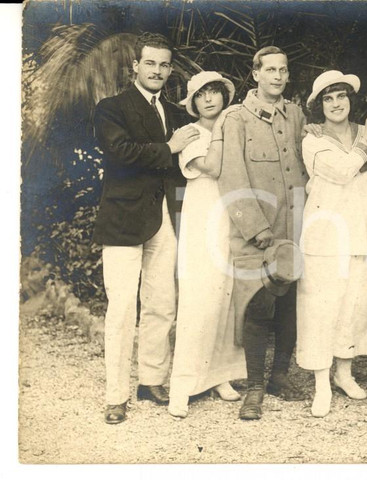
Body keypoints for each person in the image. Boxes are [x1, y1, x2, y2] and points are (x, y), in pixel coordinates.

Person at [93, 32, 200, 424]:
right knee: (122, 308)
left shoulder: (173, 112)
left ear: (171, 69)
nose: (157, 70)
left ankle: (152, 379)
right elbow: (121, 153)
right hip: (123, 220)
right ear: (135, 66)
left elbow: (188, 161)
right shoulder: (111, 108)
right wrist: (168, 148)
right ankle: (116, 395)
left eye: (164, 64)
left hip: (163, 220)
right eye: (150, 63)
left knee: (162, 305)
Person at [215, 46, 309, 420]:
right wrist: (257, 230)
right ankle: (254, 387)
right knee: (258, 304)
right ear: (255, 74)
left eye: (283, 70)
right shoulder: (235, 119)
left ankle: (279, 377)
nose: (277, 76)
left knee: (288, 304)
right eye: (270, 70)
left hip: (294, 228)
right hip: (256, 232)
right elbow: (232, 177)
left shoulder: (297, 115)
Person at [296, 71, 367, 417]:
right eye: (328, 98)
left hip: (362, 230)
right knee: (322, 309)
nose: (336, 103)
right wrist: (365, 151)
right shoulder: (312, 140)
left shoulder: (366, 133)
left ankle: (344, 373)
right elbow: (344, 170)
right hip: (325, 235)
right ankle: (321, 385)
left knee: (356, 304)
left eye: (341, 96)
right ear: (319, 106)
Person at [167, 71, 247, 418]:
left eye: (215, 92)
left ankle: (219, 376)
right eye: (202, 95)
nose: (210, 99)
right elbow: (213, 168)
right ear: (193, 102)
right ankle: (181, 388)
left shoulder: (232, 129)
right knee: (198, 303)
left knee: (226, 299)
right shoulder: (189, 135)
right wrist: (222, 132)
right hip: (202, 225)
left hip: (231, 220)